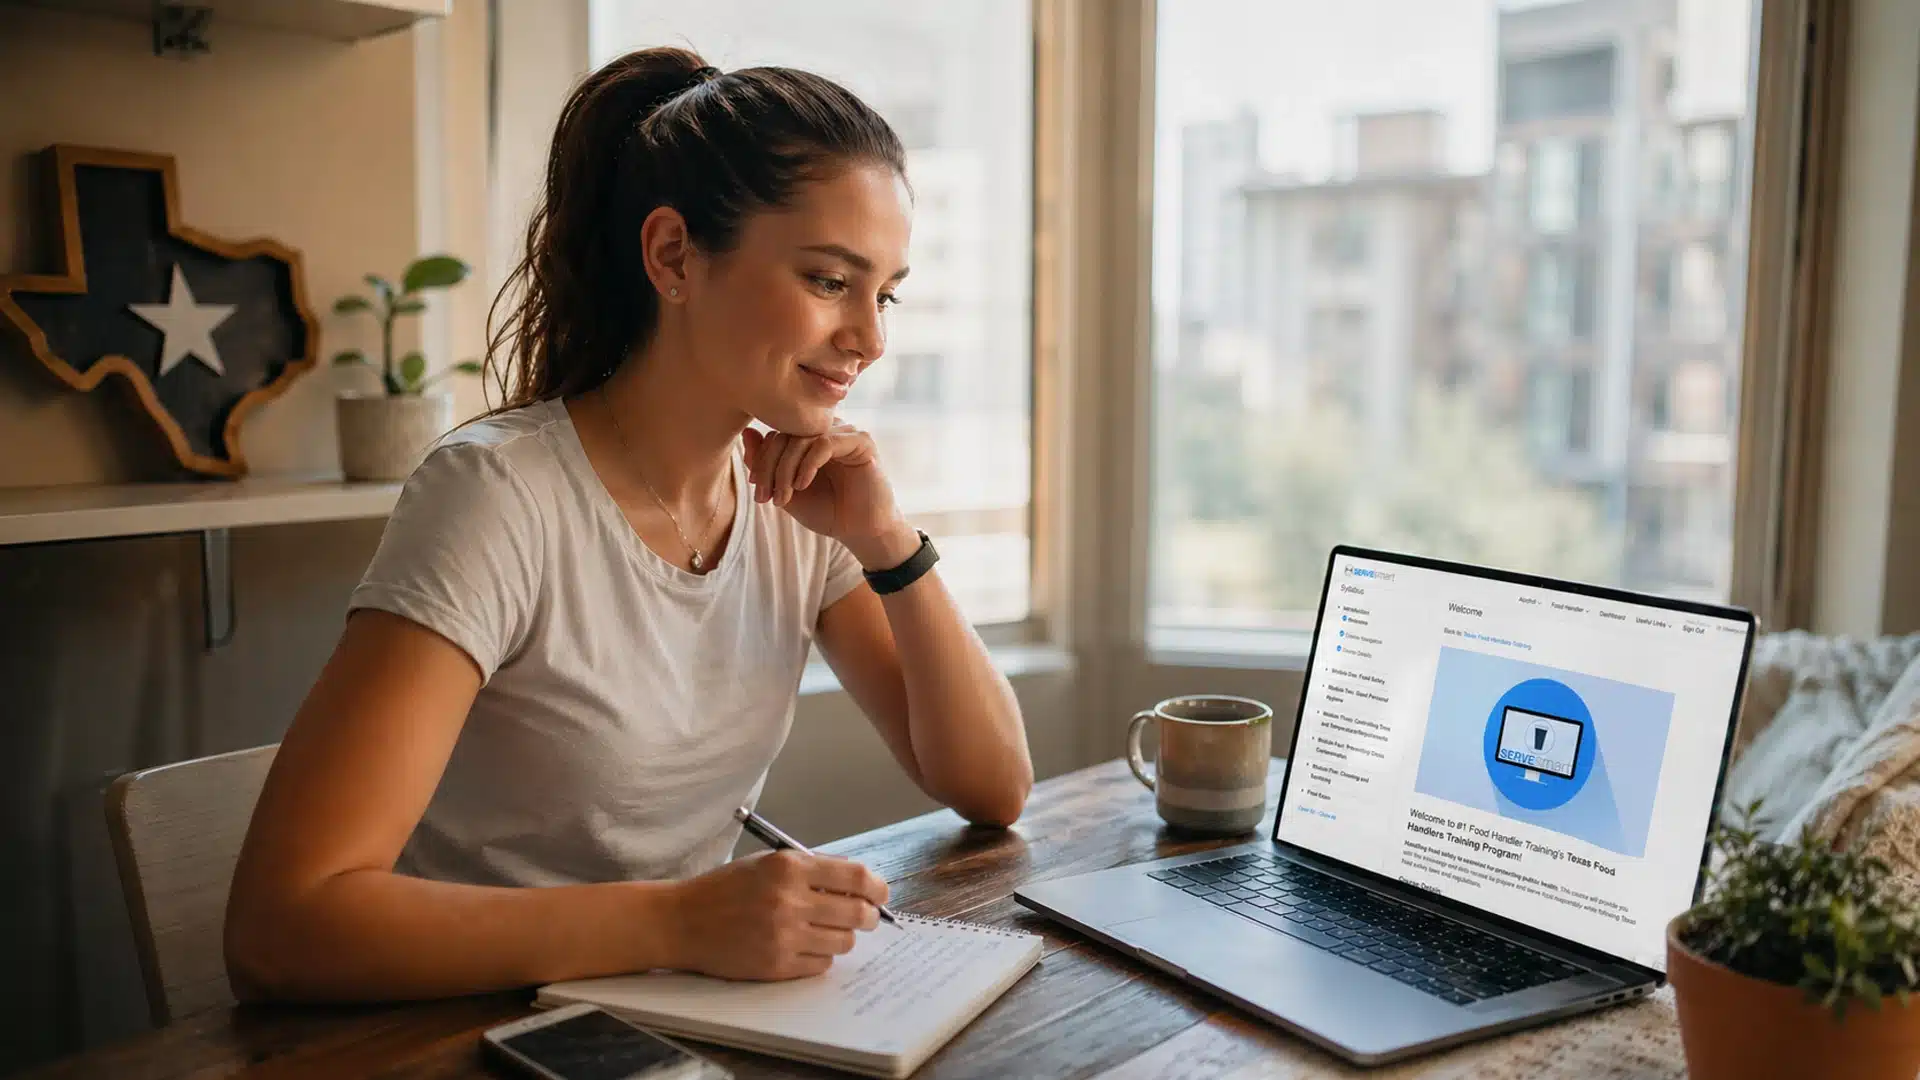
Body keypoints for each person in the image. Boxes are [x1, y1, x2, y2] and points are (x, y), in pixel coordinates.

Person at [224, 47, 1033, 1002]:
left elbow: (993, 787)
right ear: (673, 256)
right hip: (451, 1023)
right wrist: (677, 921)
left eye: (884, 293)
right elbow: (283, 924)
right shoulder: (498, 495)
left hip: (668, 1011)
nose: (871, 337)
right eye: (828, 281)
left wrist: (890, 543)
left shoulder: (798, 503)